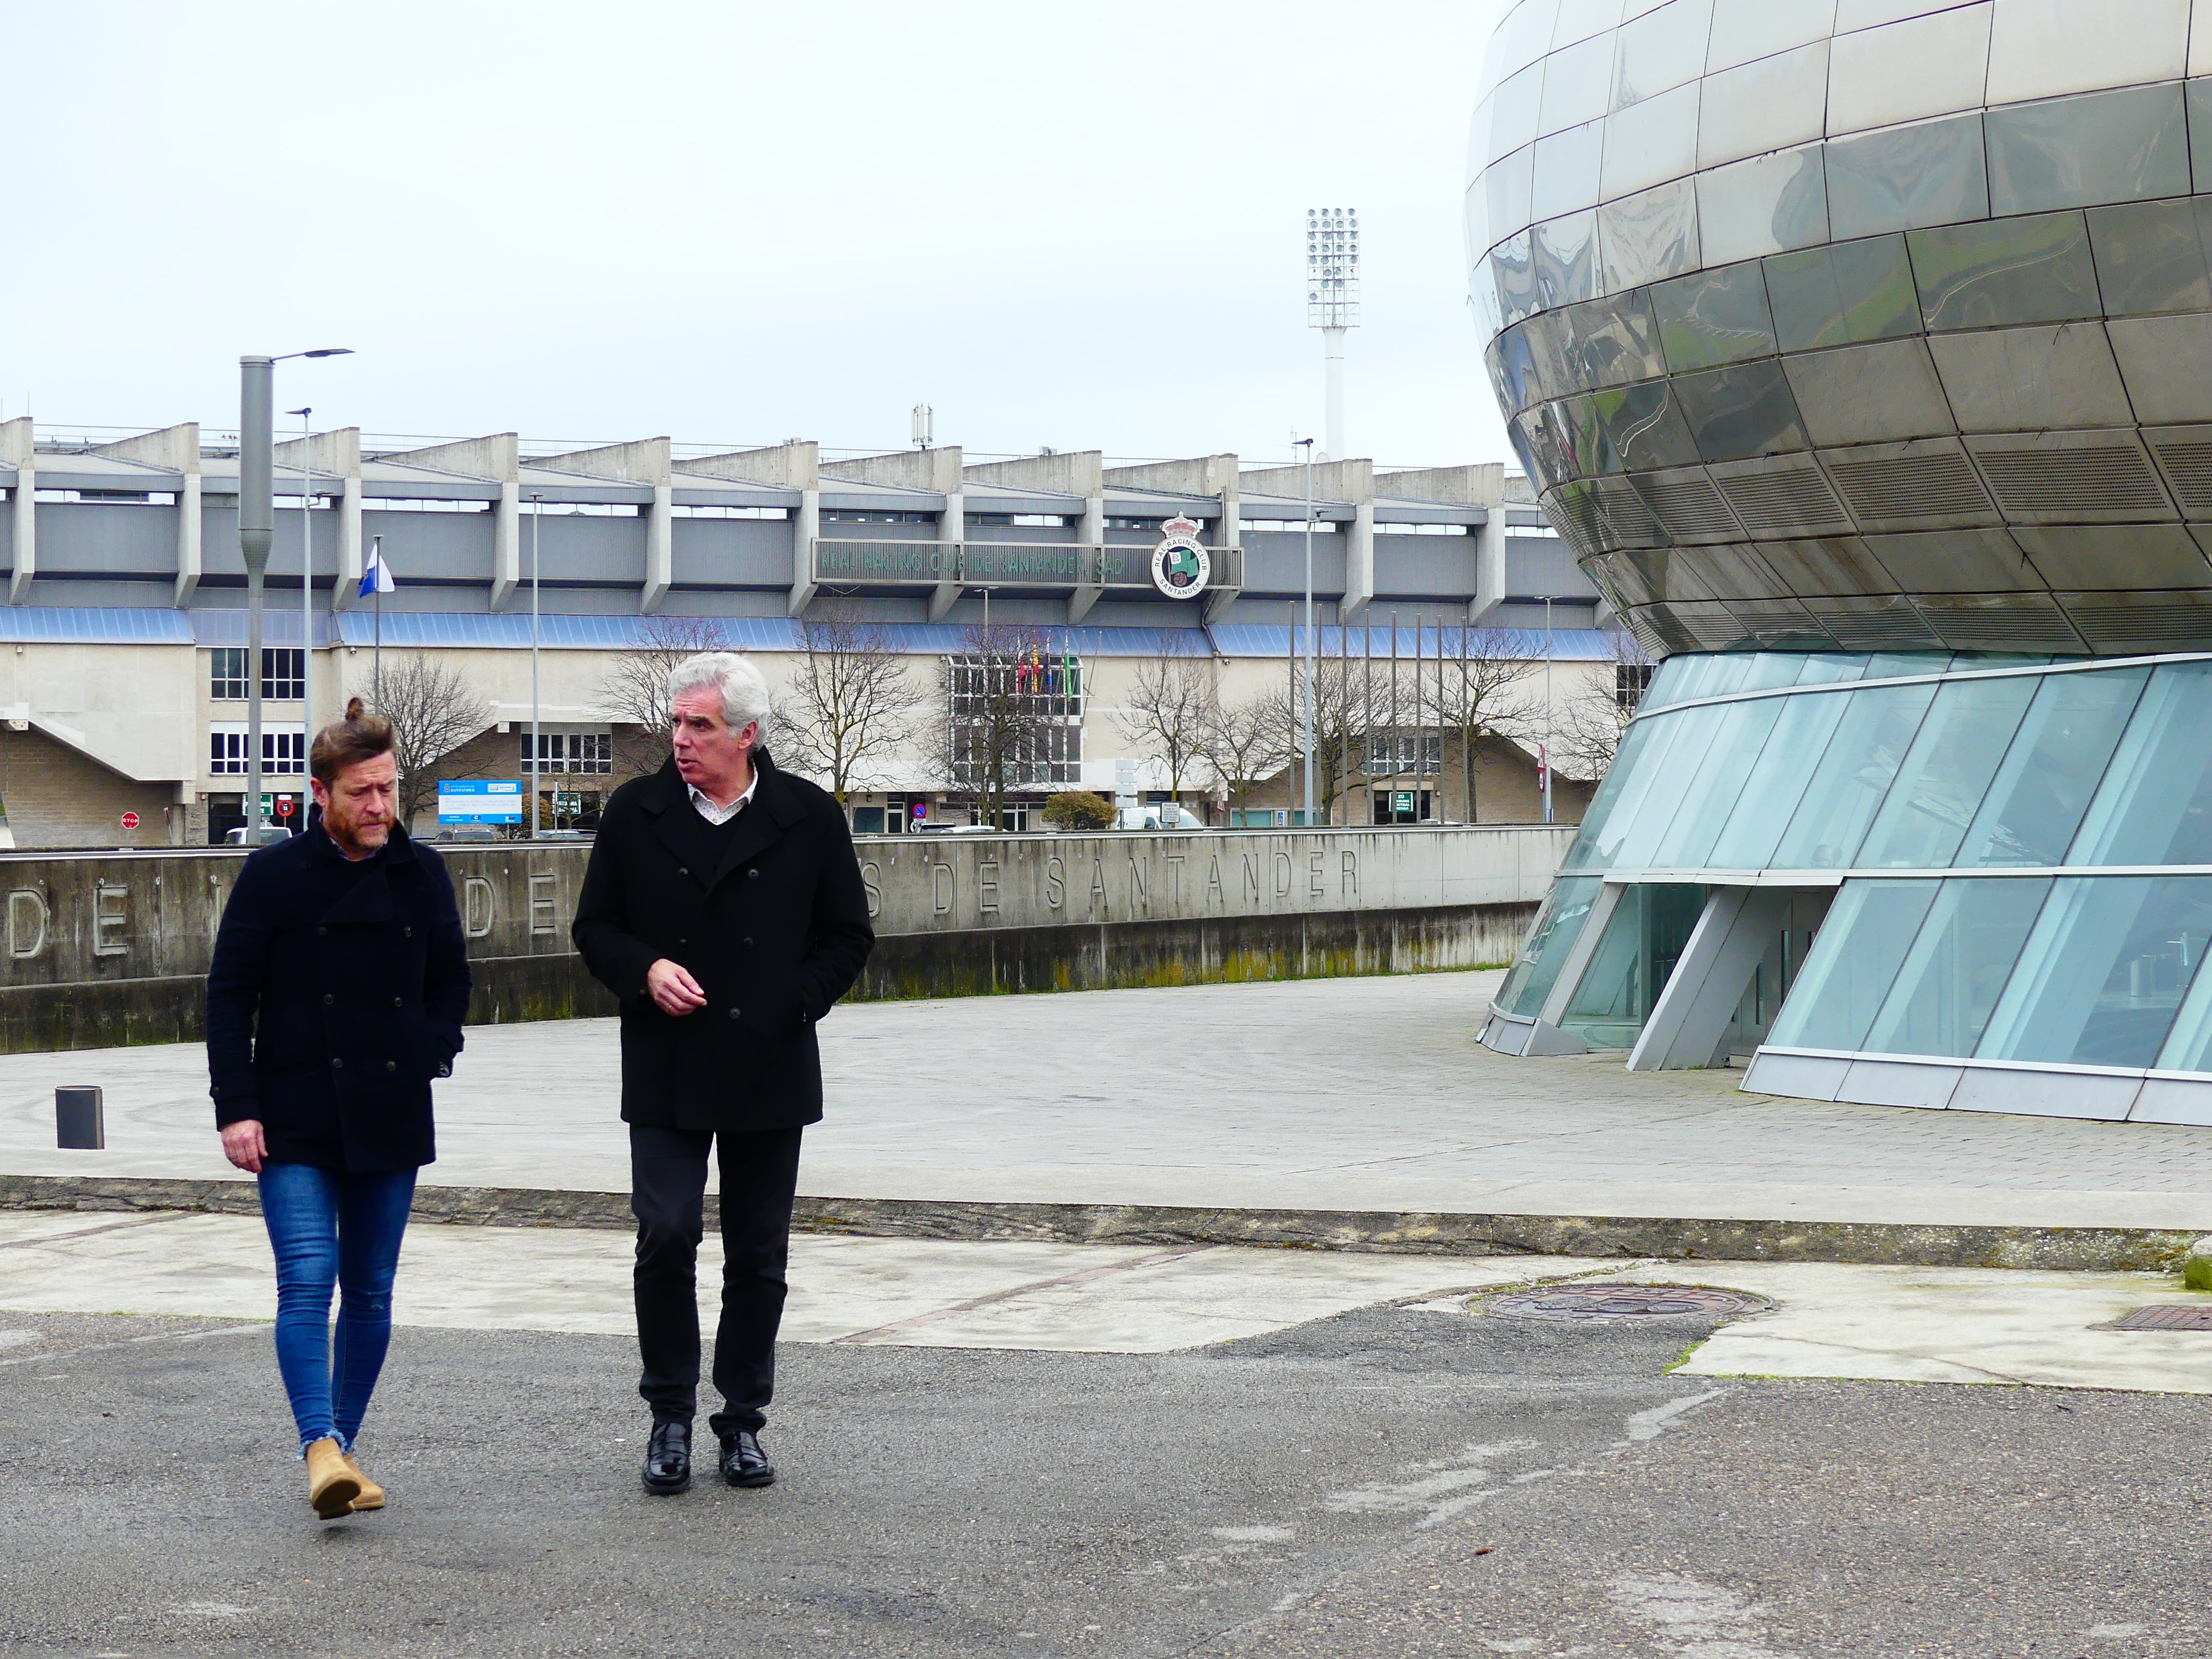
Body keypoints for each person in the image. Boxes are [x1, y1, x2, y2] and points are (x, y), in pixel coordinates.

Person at [573, 651, 873, 1496]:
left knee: (757, 1252)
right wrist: (645, 971)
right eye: (676, 723)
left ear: (746, 734)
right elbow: (594, 928)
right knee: (665, 1235)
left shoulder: (807, 816)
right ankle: (668, 1414)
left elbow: (848, 936)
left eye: (699, 726)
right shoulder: (637, 813)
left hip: (767, 1062)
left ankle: (741, 1420)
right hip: (668, 1062)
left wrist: (793, 1000)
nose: (681, 740)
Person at [205, 697, 471, 1521]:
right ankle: (319, 1444)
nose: (381, 807)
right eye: (364, 793)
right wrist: (236, 1107)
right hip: (293, 1111)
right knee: (306, 1282)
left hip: (390, 1106)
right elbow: (227, 996)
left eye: (389, 790)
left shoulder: (420, 871)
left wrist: (431, 1049)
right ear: (322, 794)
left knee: (372, 1290)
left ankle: (338, 1457)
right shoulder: (275, 876)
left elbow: (450, 981)